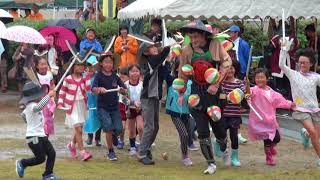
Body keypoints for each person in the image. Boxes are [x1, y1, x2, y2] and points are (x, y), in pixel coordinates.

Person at [178, 20, 231, 174]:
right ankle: (211, 163)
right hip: (196, 94)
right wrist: (181, 93)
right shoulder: (186, 50)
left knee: (218, 127)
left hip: (214, 92)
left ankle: (223, 146)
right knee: (202, 130)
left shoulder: (214, 44)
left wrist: (217, 83)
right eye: (191, 37)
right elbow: (182, 73)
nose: (193, 40)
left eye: (196, 37)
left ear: (203, 35)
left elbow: (226, 62)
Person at [279, 46, 320, 166]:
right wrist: (284, 49)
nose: (302, 65)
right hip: (300, 109)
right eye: (300, 62)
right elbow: (281, 65)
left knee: (316, 135)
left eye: (305, 63)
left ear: (311, 63)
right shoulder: (293, 74)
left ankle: (305, 133)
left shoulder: (316, 77)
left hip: (314, 109)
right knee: (313, 133)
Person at [247, 68, 294, 166]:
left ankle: (272, 147)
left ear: (267, 78)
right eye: (257, 78)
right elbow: (248, 93)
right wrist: (246, 87)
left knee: (277, 138)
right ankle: (269, 157)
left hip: (271, 121)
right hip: (260, 121)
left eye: (262, 77)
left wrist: (290, 104)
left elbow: (281, 101)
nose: (260, 80)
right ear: (254, 79)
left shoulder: (272, 92)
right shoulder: (254, 90)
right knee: (267, 141)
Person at [15, 81, 59, 180]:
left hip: (41, 135)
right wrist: (48, 96)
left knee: (52, 153)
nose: (41, 96)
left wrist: (30, 122)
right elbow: (39, 107)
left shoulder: (30, 108)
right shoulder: (31, 106)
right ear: (35, 96)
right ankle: (22, 163)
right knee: (40, 158)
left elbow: (23, 116)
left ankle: (48, 174)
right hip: (33, 137)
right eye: (40, 95)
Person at [138, 43, 170, 165]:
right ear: (146, 52)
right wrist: (166, 48)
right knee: (149, 126)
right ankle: (142, 154)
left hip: (156, 96)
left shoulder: (157, 61)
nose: (155, 47)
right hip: (147, 97)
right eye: (152, 47)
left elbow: (165, 73)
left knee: (155, 127)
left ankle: (147, 148)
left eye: (155, 46)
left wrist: (166, 62)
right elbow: (162, 54)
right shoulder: (149, 61)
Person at [92, 52, 127, 161]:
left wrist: (123, 90)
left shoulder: (115, 76)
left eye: (110, 62)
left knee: (119, 129)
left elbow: (124, 88)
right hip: (103, 107)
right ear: (101, 63)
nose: (109, 65)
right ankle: (111, 151)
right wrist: (99, 89)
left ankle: (113, 136)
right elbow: (93, 89)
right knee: (108, 127)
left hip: (114, 107)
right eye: (106, 62)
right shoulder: (98, 75)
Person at [57, 60, 92, 161]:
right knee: (79, 130)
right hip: (71, 106)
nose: (81, 67)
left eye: (82, 65)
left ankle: (71, 145)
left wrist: (87, 77)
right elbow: (62, 91)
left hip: (82, 105)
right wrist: (60, 102)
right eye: (78, 65)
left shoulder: (84, 78)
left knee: (79, 129)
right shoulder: (68, 79)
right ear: (73, 66)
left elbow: (88, 89)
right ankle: (83, 152)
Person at [220, 60, 246, 167]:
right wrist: (228, 97)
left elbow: (245, 94)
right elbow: (218, 96)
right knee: (222, 136)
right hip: (222, 114)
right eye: (227, 67)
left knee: (234, 136)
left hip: (234, 115)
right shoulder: (220, 83)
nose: (230, 70)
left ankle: (234, 157)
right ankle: (224, 153)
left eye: (232, 67)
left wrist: (247, 85)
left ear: (235, 69)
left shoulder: (239, 83)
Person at [166, 78, 194, 166]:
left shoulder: (190, 82)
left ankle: (186, 147)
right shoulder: (171, 80)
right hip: (174, 113)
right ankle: (185, 156)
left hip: (186, 113)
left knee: (188, 135)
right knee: (184, 134)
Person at [125, 64, 144, 156]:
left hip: (140, 109)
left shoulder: (142, 84)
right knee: (131, 129)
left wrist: (140, 103)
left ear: (140, 73)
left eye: (136, 71)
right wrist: (133, 103)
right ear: (128, 73)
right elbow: (123, 99)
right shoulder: (125, 85)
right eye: (132, 71)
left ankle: (143, 145)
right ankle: (132, 147)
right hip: (130, 109)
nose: (134, 73)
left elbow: (145, 97)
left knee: (140, 127)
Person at [35, 56, 56, 136]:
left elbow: (52, 85)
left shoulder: (49, 74)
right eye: (42, 64)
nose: (44, 66)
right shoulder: (35, 76)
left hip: (48, 102)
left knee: (47, 121)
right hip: (39, 101)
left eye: (45, 64)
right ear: (37, 66)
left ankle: (46, 139)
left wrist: (53, 97)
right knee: (40, 121)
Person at [84, 60, 102, 147]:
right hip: (88, 102)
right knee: (89, 120)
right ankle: (90, 137)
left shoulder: (98, 77)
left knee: (99, 120)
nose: (90, 72)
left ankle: (97, 139)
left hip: (97, 101)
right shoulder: (83, 77)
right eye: (89, 70)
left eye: (92, 70)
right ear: (85, 70)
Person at [12, 43, 34, 108]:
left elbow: (29, 53)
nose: (23, 42)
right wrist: (17, 57)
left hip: (27, 70)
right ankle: (22, 103)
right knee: (21, 88)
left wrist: (22, 51)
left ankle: (28, 102)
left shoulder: (31, 49)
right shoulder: (19, 48)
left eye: (25, 41)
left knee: (27, 87)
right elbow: (13, 58)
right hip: (19, 70)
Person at [116, 67, 129, 149]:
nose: (121, 79)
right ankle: (121, 140)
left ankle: (133, 140)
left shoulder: (130, 83)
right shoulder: (118, 84)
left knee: (135, 126)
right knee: (122, 127)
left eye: (122, 77)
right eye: (120, 77)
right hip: (121, 105)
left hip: (131, 106)